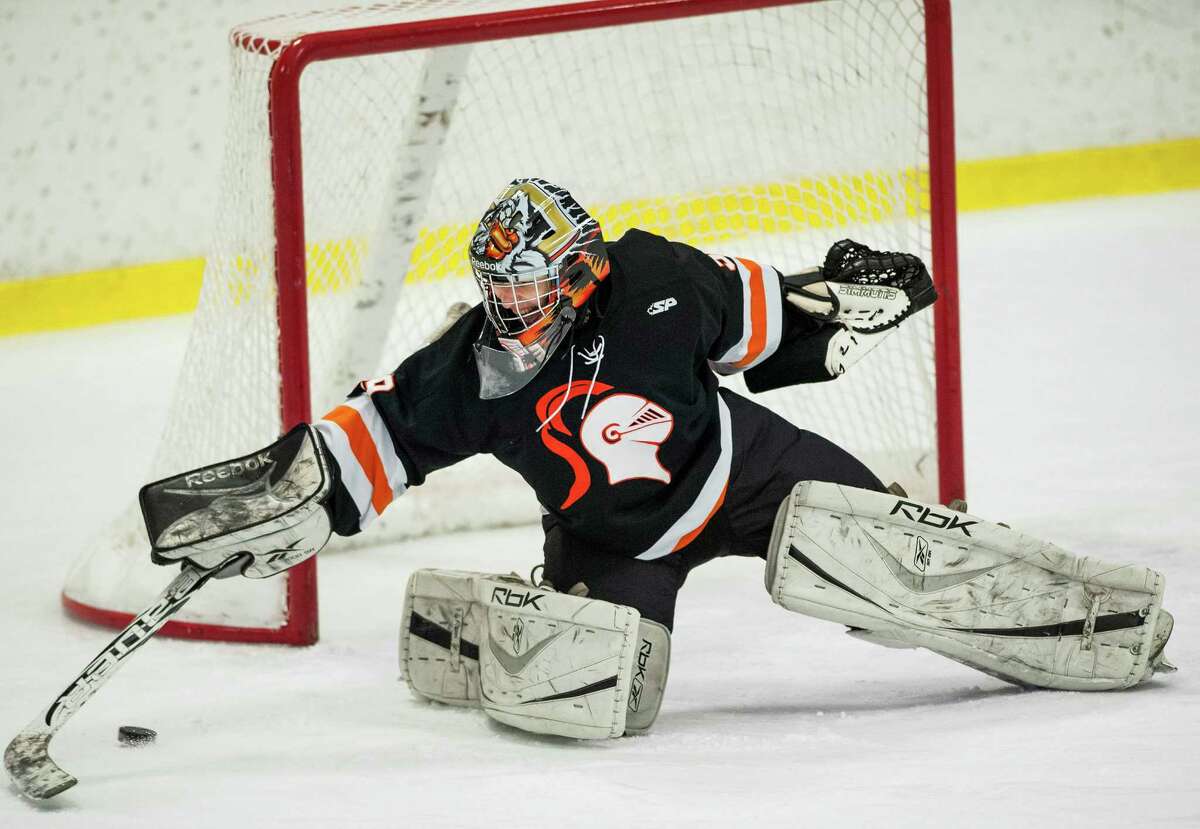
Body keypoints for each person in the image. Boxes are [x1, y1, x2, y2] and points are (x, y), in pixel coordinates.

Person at [141, 178, 1175, 740]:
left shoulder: (654, 280)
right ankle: (509, 613)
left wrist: (849, 296)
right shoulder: (474, 371)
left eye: (530, 283)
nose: (510, 306)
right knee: (603, 693)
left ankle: (1073, 612)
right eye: (497, 285)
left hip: (750, 470)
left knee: (880, 562)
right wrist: (275, 508)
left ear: (582, 271)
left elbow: (772, 317)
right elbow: (366, 445)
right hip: (612, 537)